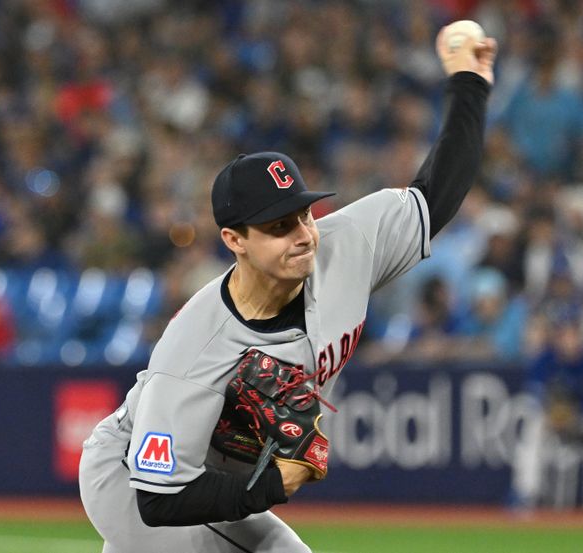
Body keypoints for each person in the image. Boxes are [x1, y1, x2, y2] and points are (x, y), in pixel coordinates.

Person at [79, 26, 496, 553]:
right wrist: (276, 482)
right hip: (133, 480)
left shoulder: (342, 246)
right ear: (235, 240)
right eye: (278, 227)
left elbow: (436, 194)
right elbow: (161, 499)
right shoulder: (194, 348)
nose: (302, 235)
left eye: (303, 214)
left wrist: (470, 83)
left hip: (216, 480)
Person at [511, 306, 583, 509]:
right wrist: (551, 415)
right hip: (553, 421)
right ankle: (526, 493)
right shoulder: (545, 358)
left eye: (573, 332)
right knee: (531, 423)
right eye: (563, 333)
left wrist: (579, 414)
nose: (569, 339)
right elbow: (532, 394)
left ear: (581, 334)